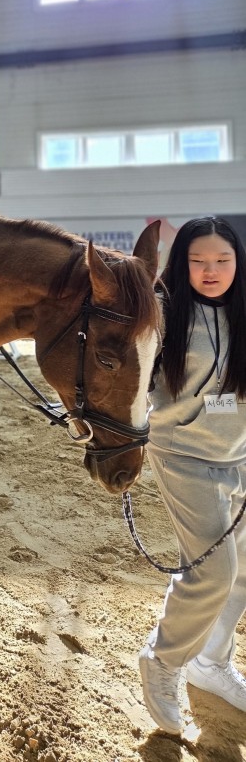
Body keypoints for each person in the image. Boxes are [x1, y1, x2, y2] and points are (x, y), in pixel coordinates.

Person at [139, 216, 246, 735]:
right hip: (182, 454)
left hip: (240, 453)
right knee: (213, 573)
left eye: (223, 260)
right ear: (181, 264)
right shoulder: (161, 312)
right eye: (198, 260)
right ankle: (163, 660)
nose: (211, 270)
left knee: (242, 571)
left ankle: (212, 663)